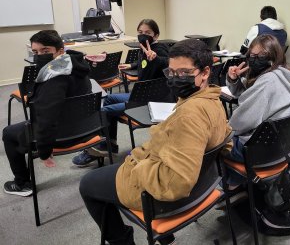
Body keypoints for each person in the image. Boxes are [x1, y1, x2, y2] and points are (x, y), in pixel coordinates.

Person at [79, 39, 230, 245]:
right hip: (201, 185)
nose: (176, 79)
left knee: (88, 184)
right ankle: (165, 238)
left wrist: (140, 167)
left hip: (164, 197)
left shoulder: (189, 116)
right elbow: (224, 140)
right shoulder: (214, 99)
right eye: (172, 72)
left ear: (204, 73)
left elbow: (177, 183)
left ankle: (122, 241)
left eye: (184, 73)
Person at [2, 30, 91, 196]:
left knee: (8, 133)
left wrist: (44, 152)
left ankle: (22, 184)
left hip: (63, 136)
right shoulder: (77, 66)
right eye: (35, 52)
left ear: (60, 51)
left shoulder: (54, 78)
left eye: (45, 51)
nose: (39, 56)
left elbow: (47, 120)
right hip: (85, 129)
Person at [72, 19, 169, 166]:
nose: (143, 35)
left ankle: (105, 146)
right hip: (140, 94)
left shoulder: (159, 49)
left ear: (156, 36)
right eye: (140, 32)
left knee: (105, 111)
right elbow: (144, 62)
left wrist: (155, 58)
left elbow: (166, 61)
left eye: (147, 33)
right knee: (109, 98)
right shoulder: (143, 49)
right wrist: (132, 64)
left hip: (148, 100)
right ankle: (110, 143)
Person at [226, 34, 290, 185]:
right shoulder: (285, 74)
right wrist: (234, 80)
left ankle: (233, 186)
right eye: (252, 55)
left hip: (259, 152)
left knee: (215, 143)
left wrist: (222, 130)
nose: (255, 59)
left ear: (273, 55)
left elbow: (238, 124)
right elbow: (249, 95)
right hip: (282, 147)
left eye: (262, 55)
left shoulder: (267, 82)